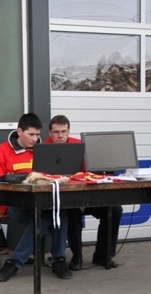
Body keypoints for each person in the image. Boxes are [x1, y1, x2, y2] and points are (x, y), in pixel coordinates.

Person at [0, 112, 72, 282]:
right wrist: (16, 178)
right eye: (31, 134)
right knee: (47, 217)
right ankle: (56, 260)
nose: (35, 139)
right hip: (13, 204)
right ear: (19, 131)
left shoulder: (45, 151)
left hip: (43, 202)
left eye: (37, 134)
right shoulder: (2, 151)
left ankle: (19, 263)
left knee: (59, 214)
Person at [45, 114, 122, 270]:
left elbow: (90, 174)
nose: (60, 135)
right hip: (61, 200)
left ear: (69, 131)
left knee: (115, 210)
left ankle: (103, 255)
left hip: (85, 196)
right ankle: (77, 257)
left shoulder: (79, 146)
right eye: (56, 132)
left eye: (64, 132)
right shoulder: (43, 149)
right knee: (72, 213)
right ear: (49, 133)